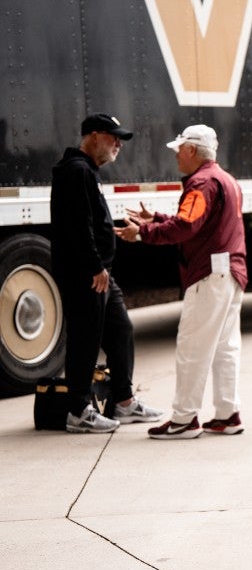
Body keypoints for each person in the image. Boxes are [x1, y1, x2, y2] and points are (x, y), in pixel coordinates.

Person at [115, 125, 248, 440]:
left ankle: (184, 420)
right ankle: (227, 415)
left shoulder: (201, 183)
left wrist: (143, 232)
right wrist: (158, 219)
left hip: (208, 276)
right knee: (224, 348)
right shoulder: (225, 179)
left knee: (192, 348)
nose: (176, 156)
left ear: (191, 150)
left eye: (179, 149)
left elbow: (187, 225)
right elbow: (201, 224)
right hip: (231, 273)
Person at [49, 113, 164, 433]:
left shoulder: (85, 172)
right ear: (94, 135)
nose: (118, 145)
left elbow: (85, 222)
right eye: (114, 138)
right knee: (85, 339)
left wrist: (107, 235)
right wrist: (95, 265)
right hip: (87, 273)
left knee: (121, 330)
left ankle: (124, 402)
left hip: (98, 271)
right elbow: (77, 227)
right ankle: (78, 411)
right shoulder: (76, 171)